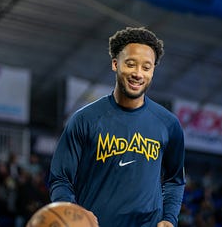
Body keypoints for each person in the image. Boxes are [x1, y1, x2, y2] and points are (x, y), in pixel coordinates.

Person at [49, 27, 186, 227]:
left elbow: (175, 180)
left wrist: (169, 219)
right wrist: (74, 212)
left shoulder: (169, 124)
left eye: (146, 68)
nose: (138, 74)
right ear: (115, 64)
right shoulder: (84, 120)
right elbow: (60, 178)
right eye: (131, 64)